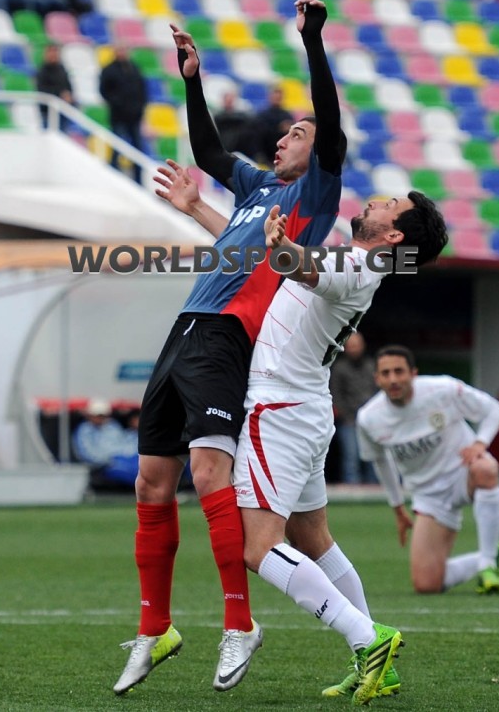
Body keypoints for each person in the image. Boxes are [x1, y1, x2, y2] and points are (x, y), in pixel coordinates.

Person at [113, 0, 346, 697]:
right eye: (286, 132)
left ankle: (239, 623)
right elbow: (211, 152)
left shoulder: (315, 194)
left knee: (210, 475)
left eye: (296, 133)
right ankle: (155, 627)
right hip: (187, 326)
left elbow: (329, 121)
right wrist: (193, 81)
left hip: (229, 337)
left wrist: (311, 42)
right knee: (150, 482)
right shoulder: (255, 188)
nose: (284, 139)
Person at [161, 171, 449, 702]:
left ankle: (367, 638)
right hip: (307, 409)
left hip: (279, 411)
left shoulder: (357, 265)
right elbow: (273, 260)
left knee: (258, 548)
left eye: (390, 203)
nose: (377, 201)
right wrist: (199, 209)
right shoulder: (360, 265)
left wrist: (286, 248)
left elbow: (306, 268)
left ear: (393, 235)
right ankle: (374, 658)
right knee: (312, 539)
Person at [357, 345, 499, 596]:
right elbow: (380, 461)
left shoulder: (443, 389)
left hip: (462, 474)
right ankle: (487, 554)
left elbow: (494, 409)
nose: (393, 379)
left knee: (486, 468)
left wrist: (480, 444)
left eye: (399, 371)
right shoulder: (369, 418)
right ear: (377, 379)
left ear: (413, 373)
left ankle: (488, 566)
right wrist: (397, 507)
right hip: (428, 495)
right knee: (426, 585)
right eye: (385, 373)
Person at [329, 333, 378, 484]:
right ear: (345, 347)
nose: (354, 349)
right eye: (351, 346)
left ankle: (375, 491)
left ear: (363, 346)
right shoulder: (339, 368)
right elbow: (335, 395)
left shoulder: (371, 365)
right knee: (351, 458)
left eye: (356, 345)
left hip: (372, 421)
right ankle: (351, 491)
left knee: (374, 458)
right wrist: (346, 416)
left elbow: (378, 392)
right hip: (349, 421)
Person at [99, 47, 149, 182]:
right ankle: (113, 178)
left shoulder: (134, 68)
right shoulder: (109, 70)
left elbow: (142, 90)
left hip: (134, 116)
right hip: (118, 116)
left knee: (137, 149)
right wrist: (118, 103)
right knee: (117, 147)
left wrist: (140, 108)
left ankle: (138, 181)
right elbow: (104, 91)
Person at [35, 44, 74, 129]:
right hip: (48, 112)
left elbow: (68, 86)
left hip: (63, 111)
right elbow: (42, 91)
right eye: (51, 51)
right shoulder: (42, 71)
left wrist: (69, 95)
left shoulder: (62, 69)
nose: (53, 54)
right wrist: (60, 94)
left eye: (55, 51)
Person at [255, 85, 293, 166]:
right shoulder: (262, 115)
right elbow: (260, 135)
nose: (277, 99)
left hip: (283, 154)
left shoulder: (287, 115)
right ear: (270, 97)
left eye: (279, 97)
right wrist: (279, 129)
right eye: (275, 97)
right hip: (266, 154)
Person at [213, 90, 256, 157]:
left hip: (239, 147)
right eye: (227, 100)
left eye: (231, 100)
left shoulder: (242, 116)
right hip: (225, 145)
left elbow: (249, 119)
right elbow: (221, 119)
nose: (229, 102)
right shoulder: (219, 116)